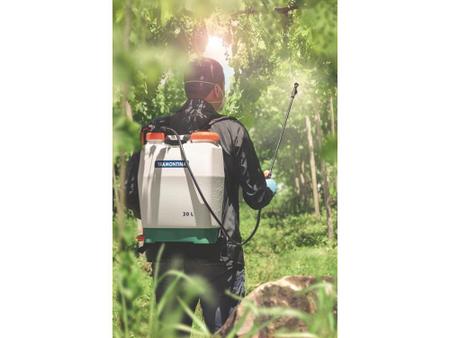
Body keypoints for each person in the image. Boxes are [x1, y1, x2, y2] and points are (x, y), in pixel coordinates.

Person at [125, 57, 277, 335]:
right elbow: (256, 196)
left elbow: (132, 195)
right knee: (225, 332)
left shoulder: (155, 132)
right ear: (217, 91)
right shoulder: (231, 131)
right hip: (220, 261)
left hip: (167, 257)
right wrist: (270, 186)